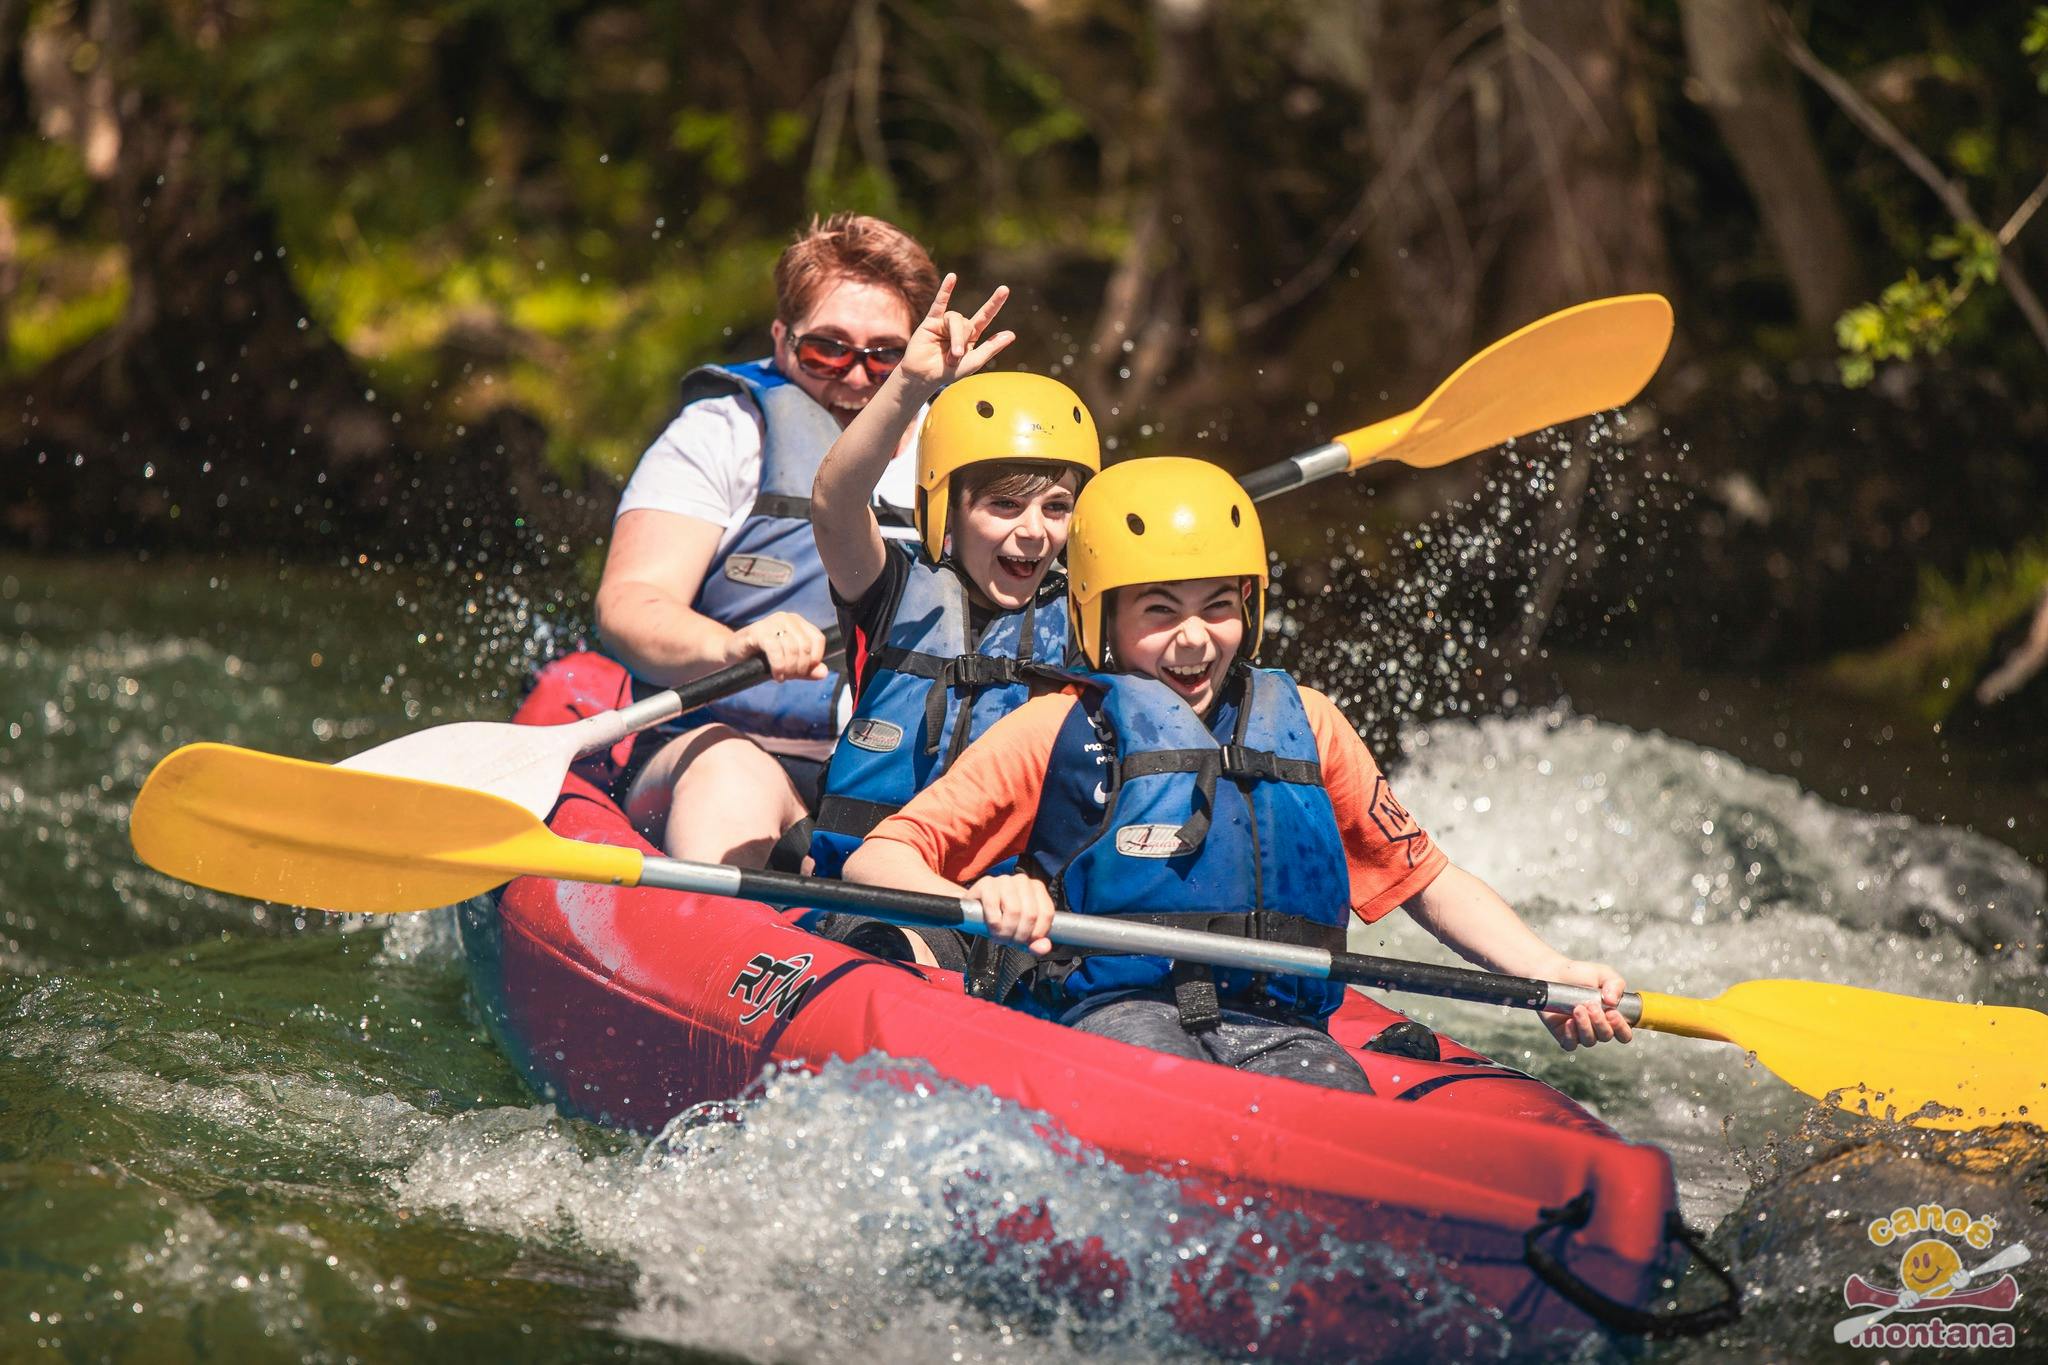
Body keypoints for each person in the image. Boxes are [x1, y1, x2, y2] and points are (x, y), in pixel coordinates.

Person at [843, 457, 1633, 1093]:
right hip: (1110, 1014)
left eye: (1218, 606)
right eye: (1158, 610)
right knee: (1167, 1089)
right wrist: (979, 898)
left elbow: (1425, 877)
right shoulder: (1055, 727)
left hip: (1278, 1025)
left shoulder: (1310, 723)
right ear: (1100, 617)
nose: (1195, 639)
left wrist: (1550, 971)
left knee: (1332, 1104)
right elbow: (878, 857)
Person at [593, 213, 937, 868]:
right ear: (782, 340)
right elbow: (631, 601)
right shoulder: (723, 433)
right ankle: (701, 952)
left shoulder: (959, 455)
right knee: (732, 772)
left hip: (899, 786)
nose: (857, 377)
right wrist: (731, 646)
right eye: (827, 350)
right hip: (721, 748)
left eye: (885, 355)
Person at [801, 276, 1098, 980]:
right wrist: (908, 383)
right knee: (897, 954)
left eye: (1057, 508)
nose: (1033, 534)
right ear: (947, 506)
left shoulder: (1092, 622)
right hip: (874, 900)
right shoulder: (893, 587)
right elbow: (834, 500)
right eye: (1004, 506)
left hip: (1021, 913)